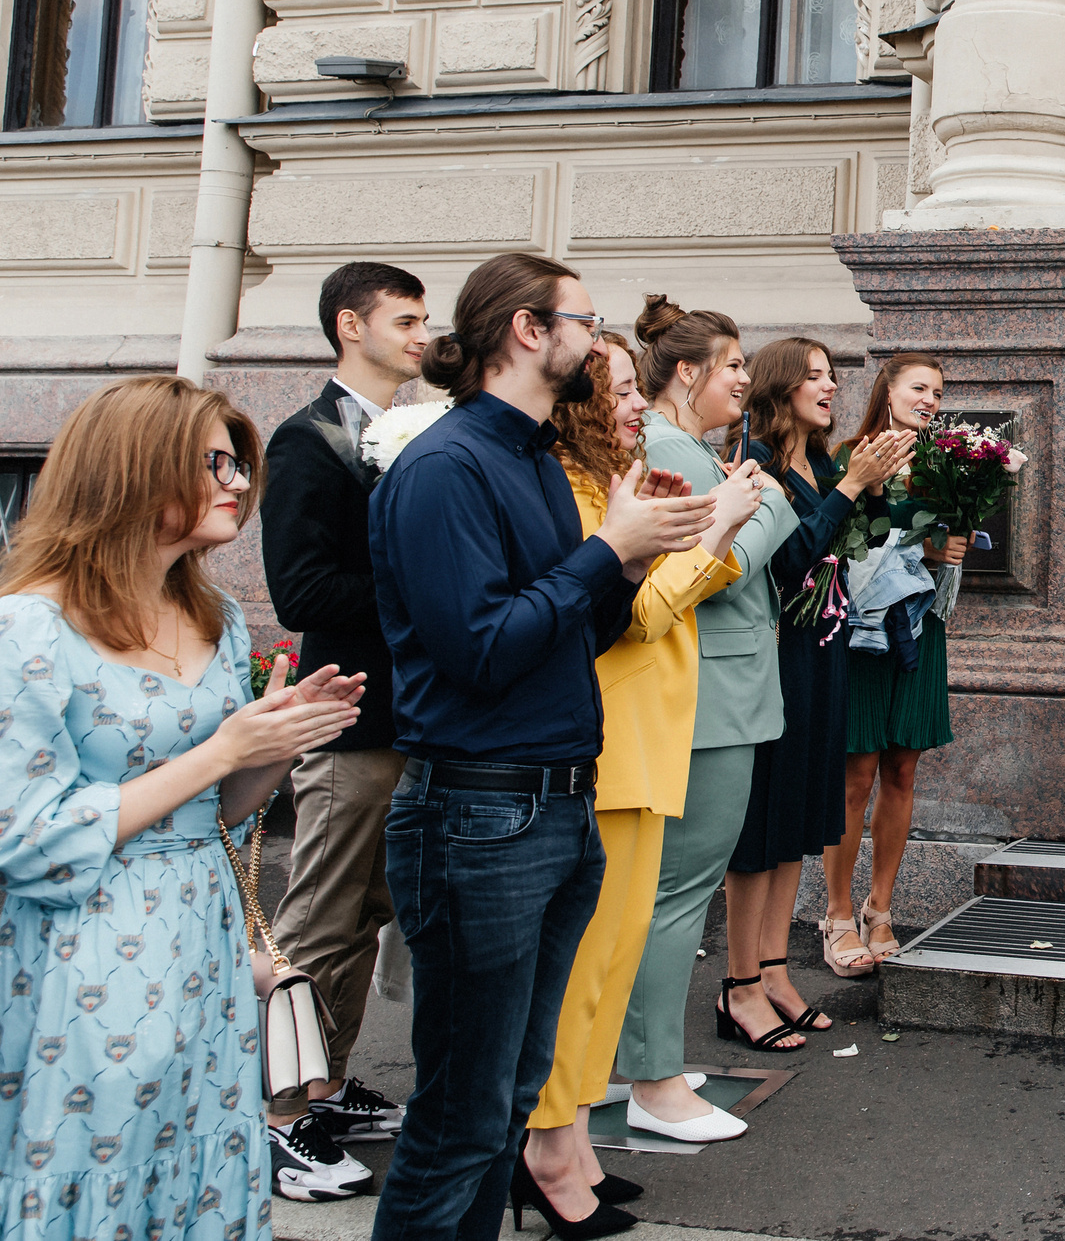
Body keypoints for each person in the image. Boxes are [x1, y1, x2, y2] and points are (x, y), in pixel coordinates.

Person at [368, 253, 718, 1241]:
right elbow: (481, 650)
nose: (599, 342)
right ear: (528, 330)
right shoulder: (445, 467)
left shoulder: (530, 459)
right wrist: (608, 550)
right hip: (479, 812)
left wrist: (630, 559)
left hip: (556, 801)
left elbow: (572, 635)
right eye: (585, 322)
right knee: (461, 1114)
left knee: (509, 1100)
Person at [0, 375, 367, 1236]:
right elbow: (27, 839)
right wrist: (224, 748)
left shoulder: (216, 615)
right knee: (101, 1150)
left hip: (203, 930)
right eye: (214, 463)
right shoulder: (30, 627)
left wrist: (279, 740)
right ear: (131, 469)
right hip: (84, 940)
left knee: (199, 1146)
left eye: (239, 464)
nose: (238, 482)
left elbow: (221, 809)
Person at [519, 333, 769, 1234]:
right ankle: (548, 1144)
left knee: (613, 961)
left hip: (651, 740)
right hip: (614, 744)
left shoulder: (607, 481)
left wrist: (700, 532)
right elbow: (632, 617)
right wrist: (720, 526)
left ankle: (573, 1139)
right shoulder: (573, 489)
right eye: (621, 390)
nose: (636, 404)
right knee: (584, 971)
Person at [260, 259, 431, 1198]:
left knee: (366, 912)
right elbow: (300, 590)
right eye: (404, 320)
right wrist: (421, 593)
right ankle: (277, 1113)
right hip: (348, 716)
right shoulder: (306, 439)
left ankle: (323, 1081)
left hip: (408, 712)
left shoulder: (415, 429)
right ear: (348, 326)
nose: (420, 335)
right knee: (320, 919)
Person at [615, 295, 797, 1142]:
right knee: (678, 894)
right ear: (685, 371)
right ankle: (652, 1079)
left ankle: (647, 1061)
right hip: (706, 700)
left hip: (718, 692)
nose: (744, 378)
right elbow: (708, 567)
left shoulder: (691, 448)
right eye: (731, 364)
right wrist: (768, 506)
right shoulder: (667, 446)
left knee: (672, 893)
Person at [735, 339, 913, 988]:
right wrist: (853, 485)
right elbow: (790, 559)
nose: (832, 385)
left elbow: (855, 543)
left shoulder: (816, 460)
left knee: (803, 818)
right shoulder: (755, 462)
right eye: (815, 375)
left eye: (832, 374)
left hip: (826, 643)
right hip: (779, 651)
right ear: (781, 386)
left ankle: (776, 973)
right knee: (771, 815)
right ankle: (746, 977)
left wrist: (877, 490)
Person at [817, 354, 969, 977]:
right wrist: (915, 540)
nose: (929, 399)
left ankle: (881, 909)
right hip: (864, 633)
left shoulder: (946, 465)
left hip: (920, 629)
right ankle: (836, 914)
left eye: (938, 392)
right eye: (918, 388)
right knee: (855, 776)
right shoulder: (849, 457)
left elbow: (946, 543)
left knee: (902, 770)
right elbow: (838, 540)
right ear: (887, 390)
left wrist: (949, 547)